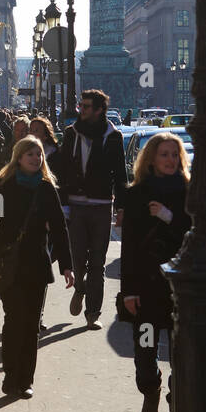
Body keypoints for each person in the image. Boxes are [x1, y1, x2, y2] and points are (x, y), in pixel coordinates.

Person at [0, 136, 73, 398]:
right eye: (30, 154)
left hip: (37, 265)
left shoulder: (46, 189)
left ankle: (26, 380)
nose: (36, 159)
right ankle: (10, 376)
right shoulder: (3, 186)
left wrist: (67, 265)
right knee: (14, 319)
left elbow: (60, 229)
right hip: (9, 264)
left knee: (31, 325)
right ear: (18, 157)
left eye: (39, 155)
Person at [120, 132, 191, 412]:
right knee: (145, 350)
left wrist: (169, 217)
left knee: (181, 358)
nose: (170, 160)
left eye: (175, 155)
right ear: (151, 159)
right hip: (147, 289)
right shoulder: (137, 194)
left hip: (180, 289)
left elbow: (197, 234)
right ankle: (151, 388)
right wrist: (128, 290)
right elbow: (129, 246)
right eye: (164, 154)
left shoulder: (189, 192)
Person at [59, 88, 127, 330]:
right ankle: (80, 287)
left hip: (101, 206)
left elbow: (120, 174)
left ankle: (93, 313)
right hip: (76, 206)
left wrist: (121, 207)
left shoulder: (113, 136)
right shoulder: (71, 133)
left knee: (97, 263)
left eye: (86, 106)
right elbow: (62, 170)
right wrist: (63, 204)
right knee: (78, 259)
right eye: (81, 106)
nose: (81, 110)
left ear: (99, 110)